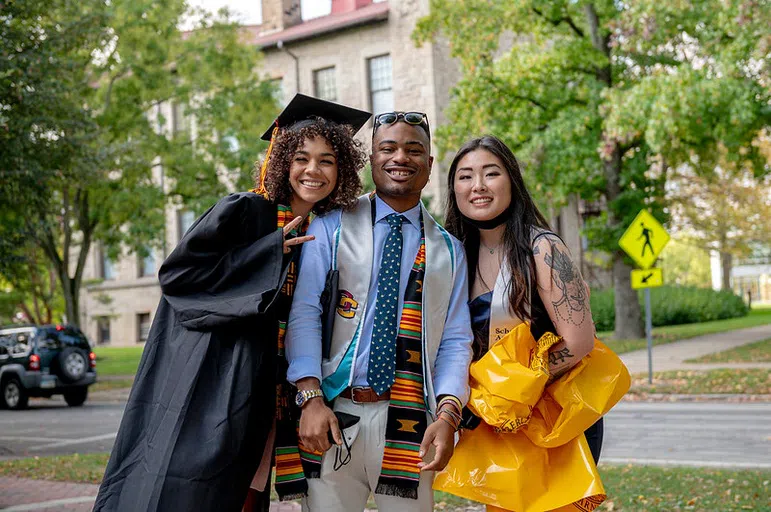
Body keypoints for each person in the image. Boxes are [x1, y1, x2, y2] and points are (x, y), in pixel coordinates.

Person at [94, 94, 370, 512]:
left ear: (342, 169)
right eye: (301, 158)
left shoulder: (329, 231)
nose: (313, 170)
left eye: (327, 160)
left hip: (271, 387)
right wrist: (267, 251)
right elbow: (179, 276)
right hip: (216, 378)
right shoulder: (246, 211)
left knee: (248, 490)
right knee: (196, 490)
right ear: (281, 161)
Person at [284, 111, 473, 512]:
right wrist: (310, 398)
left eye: (413, 149)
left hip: (409, 420)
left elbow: (456, 340)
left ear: (429, 164)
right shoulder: (330, 228)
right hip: (336, 411)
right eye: (387, 148)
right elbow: (303, 313)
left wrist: (448, 415)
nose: (399, 157)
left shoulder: (449, 251)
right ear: (372, 158)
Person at [436, 135, 628, 512]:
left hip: (557, 420)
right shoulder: (455, 254)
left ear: (512, 180)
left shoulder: (542, 248)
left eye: (491, 173)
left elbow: (578, 341)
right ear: (453, 187)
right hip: (498, 424)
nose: (477, 186)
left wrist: (515, 391)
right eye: (465, 176)